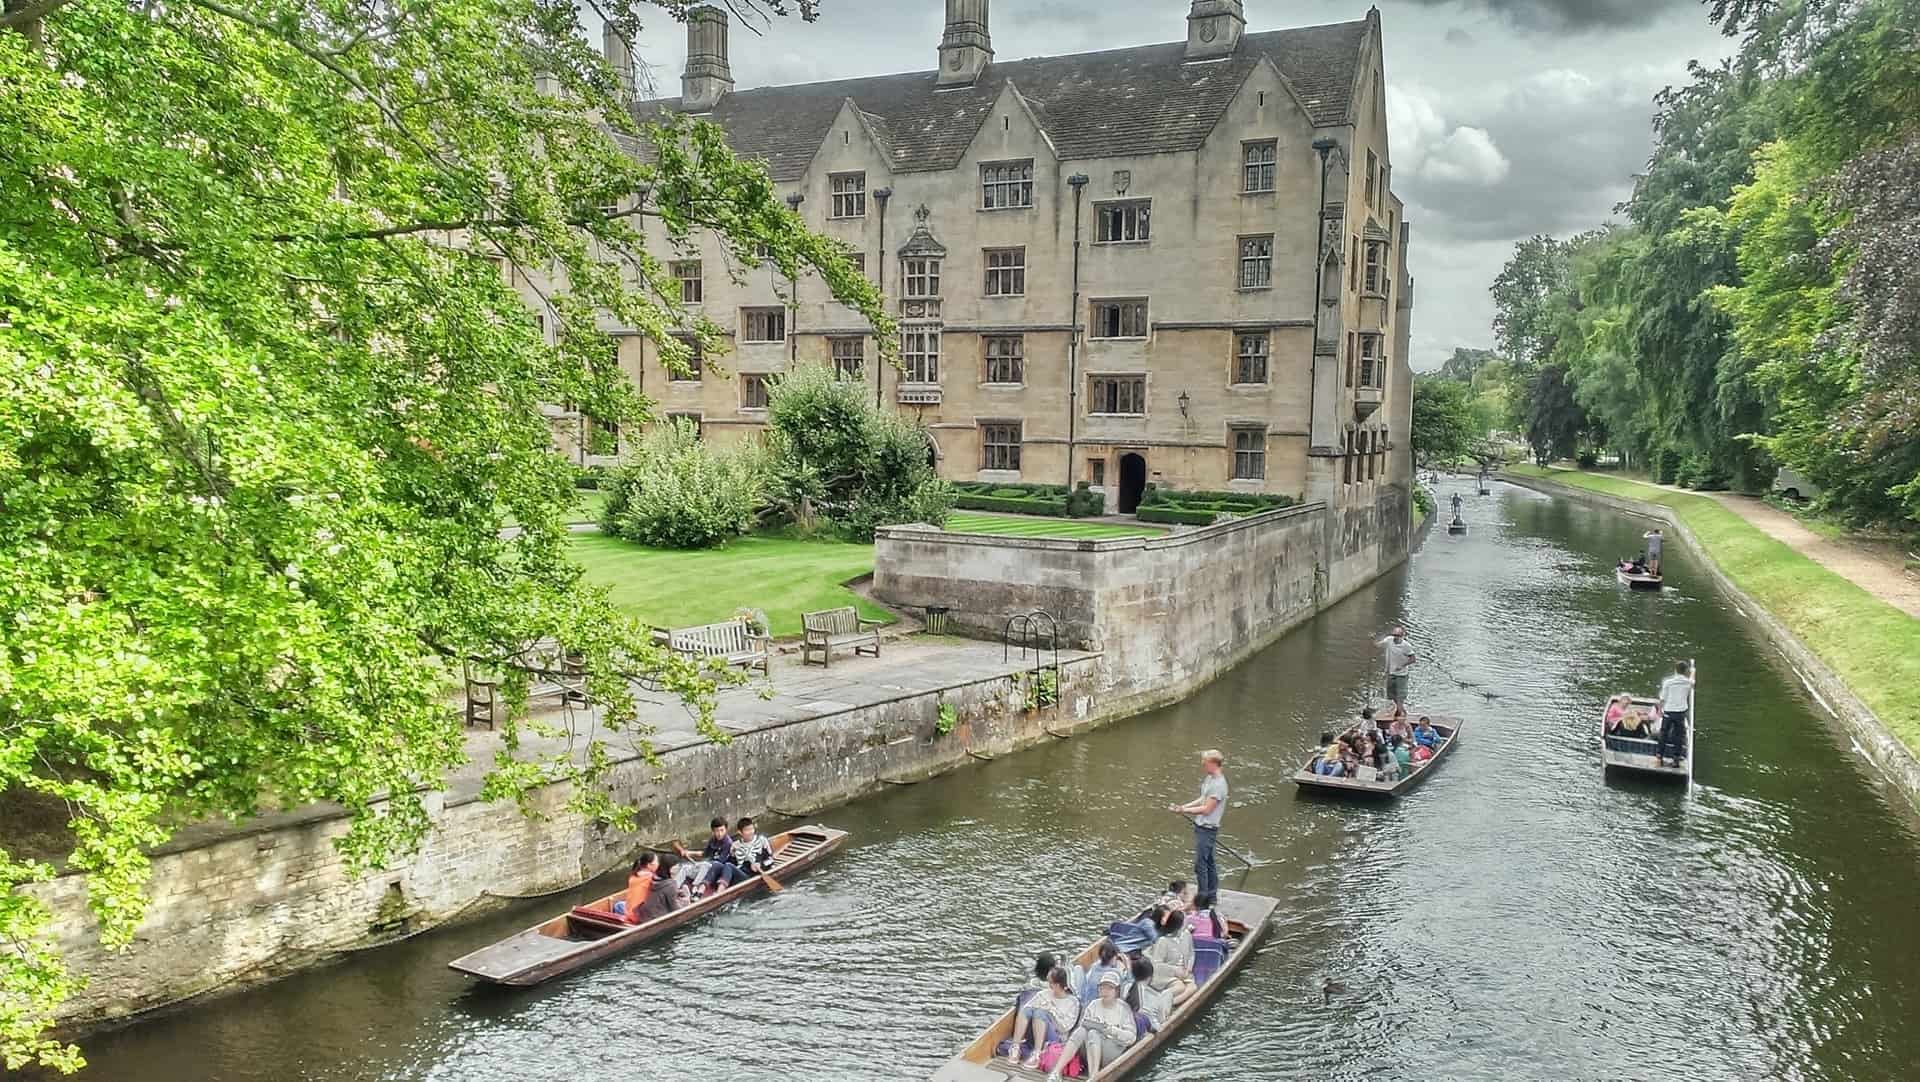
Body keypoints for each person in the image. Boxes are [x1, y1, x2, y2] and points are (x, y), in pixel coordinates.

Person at [1048, 971, 1137, 1081]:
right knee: (1081, 1031)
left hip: (1112, 1049)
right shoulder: (1094, 1004)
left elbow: (1131, 1038)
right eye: (1103, 988)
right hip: (1090, 1048)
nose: (1105, 991)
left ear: (1117, 991)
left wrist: (1112, 1030)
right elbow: (1084, 1024)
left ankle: (1093, 1077)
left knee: (1093, 1033)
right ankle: (1056, 1072)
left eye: (1110, 988)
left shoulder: (1123, 1008)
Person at [1168, 749, 1228, 900]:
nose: (1202, 765)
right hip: (1201, 827)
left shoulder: (1219, 785)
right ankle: (1211, 896)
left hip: (1207, 829)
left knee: (1201, 865)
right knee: (1209, 862)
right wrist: (1183, 807)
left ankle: (1203, 898)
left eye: (1205, 763)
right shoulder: (1210, 779)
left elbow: (1207, 809)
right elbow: (1202, 799)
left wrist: (1185, 810)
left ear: (1214, 764)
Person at [1005, 965, 1079, 1070]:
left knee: (1040, 1013)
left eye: (1052, 983)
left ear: (1060, 985)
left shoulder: (1072, 1002)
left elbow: (1065, 1027)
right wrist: (1040, 1007)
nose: (1049, 986)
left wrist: (1050, 1012)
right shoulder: (1043, 994)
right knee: (1027, 1009)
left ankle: (1037, 1054)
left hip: (1057, 1036)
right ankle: (1015, 1047)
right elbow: (1028, 1010)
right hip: (1036, 1030)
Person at [673, 817, 741, 896]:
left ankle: (695, 888)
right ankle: (674, 889)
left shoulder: (728, 843)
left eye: (722, 830)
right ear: (713, 831)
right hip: (706, 868)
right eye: (717, 831)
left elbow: (719, 863)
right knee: (685, 867)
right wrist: (689, 853)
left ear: (726, 830)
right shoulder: (713, 840)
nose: (719, 834)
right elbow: (704, 854)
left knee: (705, 864)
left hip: (717, 872)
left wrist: (701, 864)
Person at [1145, 908, 1197, 1004]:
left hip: (1183, 972)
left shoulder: (1187, 935)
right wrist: (1175, 970)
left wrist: (1188, 969)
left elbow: (1191, 954)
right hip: (1164, 974)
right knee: (1180, 987)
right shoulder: (1163, 941)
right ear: (1178, 925)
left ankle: (1170, 1003)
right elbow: (1156, 964)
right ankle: (1158, 1002)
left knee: (1192, 987)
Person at [1656, 660, 1696, 767]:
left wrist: (1659, 710)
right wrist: (1693, 671)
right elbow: (1693, 680)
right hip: (1680, 713)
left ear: (1675, 670)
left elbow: (1662, 698)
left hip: (1669, 711)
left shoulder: (1668, 682)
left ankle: (1659, 756)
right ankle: (1676, 759)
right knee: (1678, 736)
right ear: (1686, 671)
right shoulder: (1688, 682)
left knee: (1663, 734)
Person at [1378, 627, 1417, 716]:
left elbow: (1413, 659)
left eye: (1398, 635)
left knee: (1400, 696)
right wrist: (1372, 642)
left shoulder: (1406, 646)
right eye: (1394, 635)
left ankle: (1401, 714)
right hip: (1390, 673)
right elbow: (1378, 644)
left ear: (1402, 636)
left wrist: (1402, 665)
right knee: (1392, 696)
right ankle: (1401, 711)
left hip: (1401, 675)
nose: (1395, 637)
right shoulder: (1389, 640)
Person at [1129, 956, 1173, 1030]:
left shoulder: (1127, 987)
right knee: (1168, 993)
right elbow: (1159, 1023)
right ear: (1150, 976)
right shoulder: (1155, 995)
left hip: (1132, 1022)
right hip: (1148, 1024)